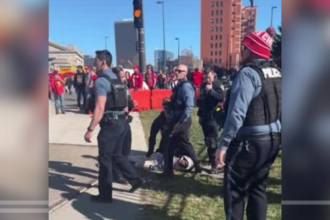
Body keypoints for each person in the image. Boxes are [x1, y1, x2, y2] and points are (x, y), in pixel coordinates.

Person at [216, 27, 281, 220]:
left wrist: (224, 144)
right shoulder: (278, 73)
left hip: (249, 142)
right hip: (272, 140)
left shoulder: (248, 73)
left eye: (244, 48)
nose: (241, 53)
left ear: (252, 50)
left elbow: (236, 114)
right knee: (258, 190)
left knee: (235, 192)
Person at [84, 50, 143, 203]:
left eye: (96, 61)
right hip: (122, 123)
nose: (94, 64)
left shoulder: (101, 81)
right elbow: (125, 105)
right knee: (117, 156)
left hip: (110, 126)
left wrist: (90, 130)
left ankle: (105, 195)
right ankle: (136, 180)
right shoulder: (117, 80)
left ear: (103, 62)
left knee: (105, 159)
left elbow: (99, 108)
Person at [164, 64, 201, 176]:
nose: (176, 72)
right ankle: (197, 165)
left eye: (179, 71)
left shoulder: (185, 87)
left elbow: (190, 107)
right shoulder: (179, 85)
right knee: (184, 143)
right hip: (178, 119)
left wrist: (180, 122)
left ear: (185, 73)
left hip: (181, 121)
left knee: (170, 145)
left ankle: (168, 172)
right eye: (176, 70)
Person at [197, 66, 224, 174]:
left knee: (212, 142)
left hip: (213, 117)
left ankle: (215, 166)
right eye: (205, 78)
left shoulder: (217, 84)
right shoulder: (203, 85)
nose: (207, 80)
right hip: (204, 117)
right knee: (208, 141)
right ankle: (212, 160)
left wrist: (211, 91)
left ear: (213, 74)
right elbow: (201, 101)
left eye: (209, 77)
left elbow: (221, 97)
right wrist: (200, 115)